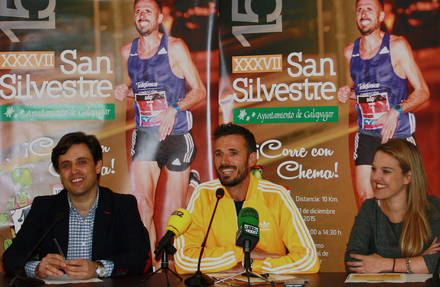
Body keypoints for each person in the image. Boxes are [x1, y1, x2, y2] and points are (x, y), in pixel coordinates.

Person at [113, 0, 206, 255]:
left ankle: (189, 190)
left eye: (148, 11)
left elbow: (200, 91)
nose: (142, 15)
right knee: (143, 204)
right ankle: (150, 265)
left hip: (176, 134)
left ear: (160, 18)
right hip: (146, 135)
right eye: (138, 11)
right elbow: (141, 91)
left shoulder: (175, 48)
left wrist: (175, 109)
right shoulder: (126, 52)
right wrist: (126, 91)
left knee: (174, 214)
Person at [2, 132, 151, 279]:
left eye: (82, 162)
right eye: (66, 165)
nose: (74, 171)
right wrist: (37, 268)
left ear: (98, 166)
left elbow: (140, 259)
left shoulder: (122, 206)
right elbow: (10, 259)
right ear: (59, 173)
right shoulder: (44, 208)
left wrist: (99, 269)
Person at [174, 123, 319, 274]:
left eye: (233, 153)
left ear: (251, 159)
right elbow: (183, 260)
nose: (224, 161)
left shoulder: (276, 195)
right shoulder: (203, 194)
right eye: (219, 154)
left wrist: (249, 266)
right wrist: (241, 254)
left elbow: (309, 260)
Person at [337, 0, 429, 207]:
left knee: (402, 204)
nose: (363, 13)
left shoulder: (397, 46)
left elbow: (423, 91)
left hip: (398, 133)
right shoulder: (349, 52)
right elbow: (362, 90)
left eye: (369, 9)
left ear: (380, 17)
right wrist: (347, 93)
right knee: (365, 198)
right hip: (368, 134)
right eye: (359, 9)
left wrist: (395, 111)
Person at [345, 139, 440, 274]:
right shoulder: (369, 208)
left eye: (386, 171)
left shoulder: (433, 208)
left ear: (408, 177)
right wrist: (416, 261)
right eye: (374, 169)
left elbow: (434, 264)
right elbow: (352, 260)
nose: (375, 177)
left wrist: (384, 264)